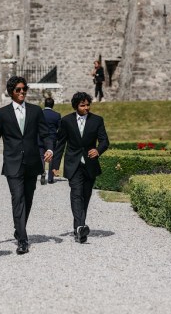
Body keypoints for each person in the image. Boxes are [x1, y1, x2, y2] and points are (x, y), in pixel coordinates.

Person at [0, 76, 54, 254]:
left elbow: (46, 134)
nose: (22, 92)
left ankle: (19, 228)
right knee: (17, 198)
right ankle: (22, 239)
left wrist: (49, 148)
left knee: (28, 199)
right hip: (12, 163)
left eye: (24, 89)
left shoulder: (36, 111)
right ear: (11, 91)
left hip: (32, 163)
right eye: (18, 89)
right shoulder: (2, 113)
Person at [52, 91, 109, 244]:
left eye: (88, 104)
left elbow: (104, 141)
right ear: (76, 106)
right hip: (73, 164)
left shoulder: (97, 120)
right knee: (76, 194)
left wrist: (98, 150)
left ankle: (78, 226)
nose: (86, 108)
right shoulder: (66, 121)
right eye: (83, 105)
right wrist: (55, 165)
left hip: (90, 165)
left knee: (86, 196)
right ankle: (81, 227)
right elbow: (60, 144)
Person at [40, 97, 61, 184]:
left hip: (40, 137)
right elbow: (60, 127)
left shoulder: (40, 113)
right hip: (52, 138)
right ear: (53, 105)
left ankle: (42, 172)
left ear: (45, 104)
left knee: (41, 156)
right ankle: (50, 178)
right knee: (52, 157)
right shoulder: (56, 115)